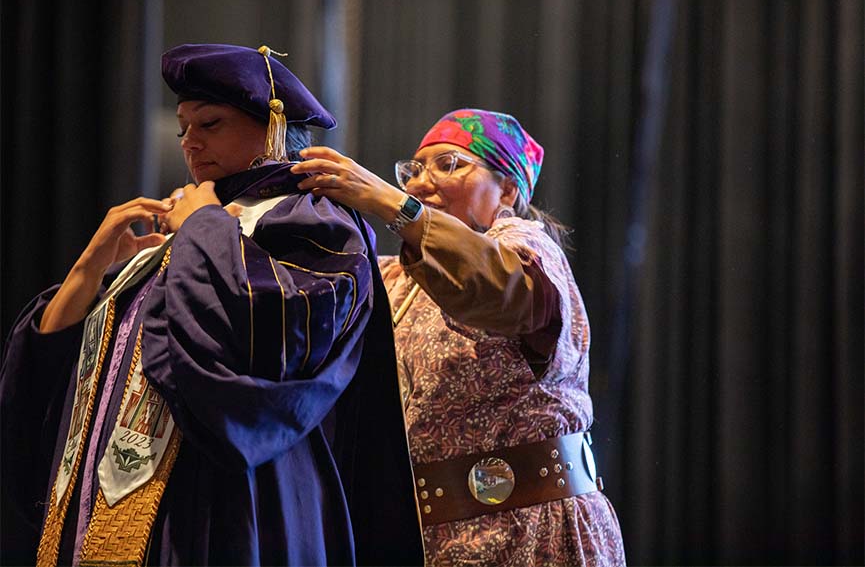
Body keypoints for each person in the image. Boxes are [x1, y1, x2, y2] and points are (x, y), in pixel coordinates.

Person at [0, 43, 420, 566]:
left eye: (211, 123)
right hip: (107, 505)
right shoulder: (196, 226)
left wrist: (201, 228)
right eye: (183, 129)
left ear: (271, 127)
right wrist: (92, 266)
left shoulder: (311, 220)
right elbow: (60, 381)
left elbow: (266, 343)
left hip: (225, 504)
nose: (190, 144)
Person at [292, 108, 627, 565]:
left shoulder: (528, 250)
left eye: (449, 164)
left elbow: (493, 286)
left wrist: (389, 203)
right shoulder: (401, 278)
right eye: (413, 171)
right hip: (429, 543)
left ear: (507, 189)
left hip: (527, 536)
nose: (419, 183)